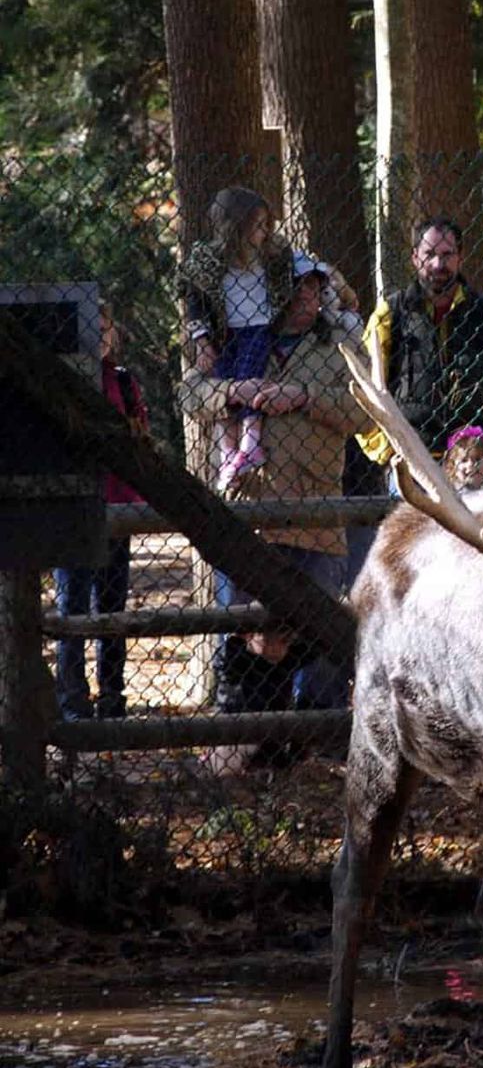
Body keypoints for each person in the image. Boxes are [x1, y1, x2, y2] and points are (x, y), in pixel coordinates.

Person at [181, 253, 367, 716]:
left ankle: (317, 736)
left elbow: (364, 413)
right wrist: (229, 392)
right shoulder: (236, 337)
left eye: (314, 288)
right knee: (244, 638)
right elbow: (188, 393)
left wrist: (304, 398)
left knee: (320, 640)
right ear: (274, 293)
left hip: (317, 514)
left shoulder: (339, 342)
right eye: (297, 287)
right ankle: (243, 732)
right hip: (250, 513)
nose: (308, 296)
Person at [357, 216, 483, 478]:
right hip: (410, 464)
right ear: (415, 257)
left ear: (460, 257)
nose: (438, 264)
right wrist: (386, 450)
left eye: (447, 255)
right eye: (429, 254)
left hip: (471, 467)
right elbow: (364, 388)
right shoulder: (390, 314)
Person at [54, 300, 149, 721]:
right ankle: (71, 699)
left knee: (111, 609)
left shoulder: (124, 382)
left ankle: (113, 696)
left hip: (116, 508)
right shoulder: (63, 376)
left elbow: (139, 437)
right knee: (71, 608)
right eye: (95, 327)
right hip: (74, 508)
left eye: (108, 328)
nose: (102, 336)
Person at [179, 187, 295, 492]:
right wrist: (202, 341)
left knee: (249, 379)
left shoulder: (272, 257)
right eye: (257, 226)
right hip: (225, 333)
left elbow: (305, 269)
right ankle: (229, 453)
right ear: (237, 228)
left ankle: (251, 444)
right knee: (224, 385)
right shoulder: (208, 263)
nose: (265, 232)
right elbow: (194, 304)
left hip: (259, 328)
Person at [442, 425, 483, 491]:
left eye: (478, 459)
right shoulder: (450, 492)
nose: (470, 464)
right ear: (452, 466)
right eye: (463, 460)